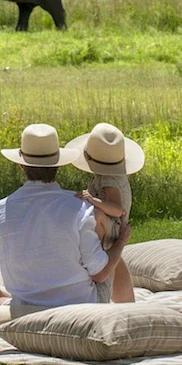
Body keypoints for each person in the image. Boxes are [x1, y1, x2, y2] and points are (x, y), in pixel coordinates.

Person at [0, 124, 130, 317]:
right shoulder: (80, 208)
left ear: (21, 165)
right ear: (58, 165)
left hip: (25, 311)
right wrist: (121, 242)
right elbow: (100, 273)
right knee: (111, 251)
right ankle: (131, 310)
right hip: (78, 311)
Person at [66, 122, 143, 303]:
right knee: (115, 259)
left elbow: (116, 210)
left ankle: (94, 276)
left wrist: (93, 201)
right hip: (111, 227)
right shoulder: (109, 176)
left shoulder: (109, 179)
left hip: (111, 225)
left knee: (104, 256)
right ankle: (127, 302)